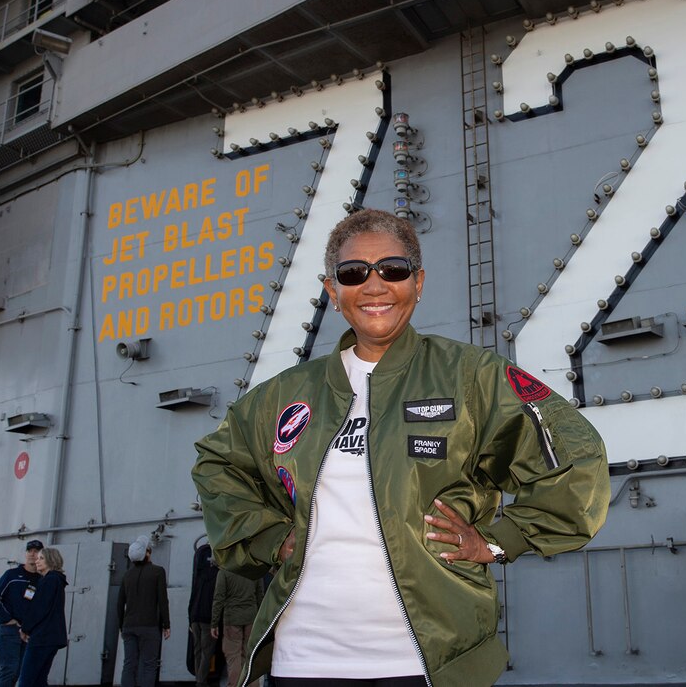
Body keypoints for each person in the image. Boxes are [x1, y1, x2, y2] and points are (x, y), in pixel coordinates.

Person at [193, 208, 610, 687]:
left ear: (418, 281)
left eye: (392, 269)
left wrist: (496, 542)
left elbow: (576, 457)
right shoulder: (282, 397)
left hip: (428, 661)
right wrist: (268, 539)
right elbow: (218, 464)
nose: (374, 286)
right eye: (353, 273)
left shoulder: (472, 377)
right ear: (333, 291)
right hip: (303, 658)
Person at [118, 535, 171, 687]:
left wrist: (122, 626)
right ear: (147, 553)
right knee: (148, 665)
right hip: (149, 625)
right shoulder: (158, 572)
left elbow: (120, 603)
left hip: (129, 625)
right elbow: (162, 600)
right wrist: (166, 624)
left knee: (129, 664)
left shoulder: (127, 575)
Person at [0, 539, 44, 687]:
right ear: (26, 554)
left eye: (37, 551)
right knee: (9, 669)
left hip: (27, 632)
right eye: (30, 551)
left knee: (20, 671)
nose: (33, 554)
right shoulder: (12, 575)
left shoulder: (41, 580)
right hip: (9, 629)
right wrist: (8, 619)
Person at [16, 547, 68, 687]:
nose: (36, 561)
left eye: (41, 558)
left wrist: (25, 628)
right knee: (39, 680)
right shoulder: (57, 580)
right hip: (52, 637)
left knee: (26, 680)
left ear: (51, 560)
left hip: (42, 637)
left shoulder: (49, 581)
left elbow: (39, 608)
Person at [210, 568, 264, 687]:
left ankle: (235, 685)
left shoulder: (225, 571)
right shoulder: (255, 570)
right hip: (251, 617)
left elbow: (219, 597)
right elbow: (260, 595)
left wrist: (214, 623)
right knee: (250, 656)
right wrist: (261, 621)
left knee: (233, 656)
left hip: (232, 619)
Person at [188, 543, 219, 686]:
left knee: (197, 650)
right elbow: (217, 599)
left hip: (195, 616)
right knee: (207, 651)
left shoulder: (199, 576)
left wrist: (190, 617)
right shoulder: (217, 577)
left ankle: (198, 678)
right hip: (207, 618)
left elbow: (193, 596)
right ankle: (201, 682)